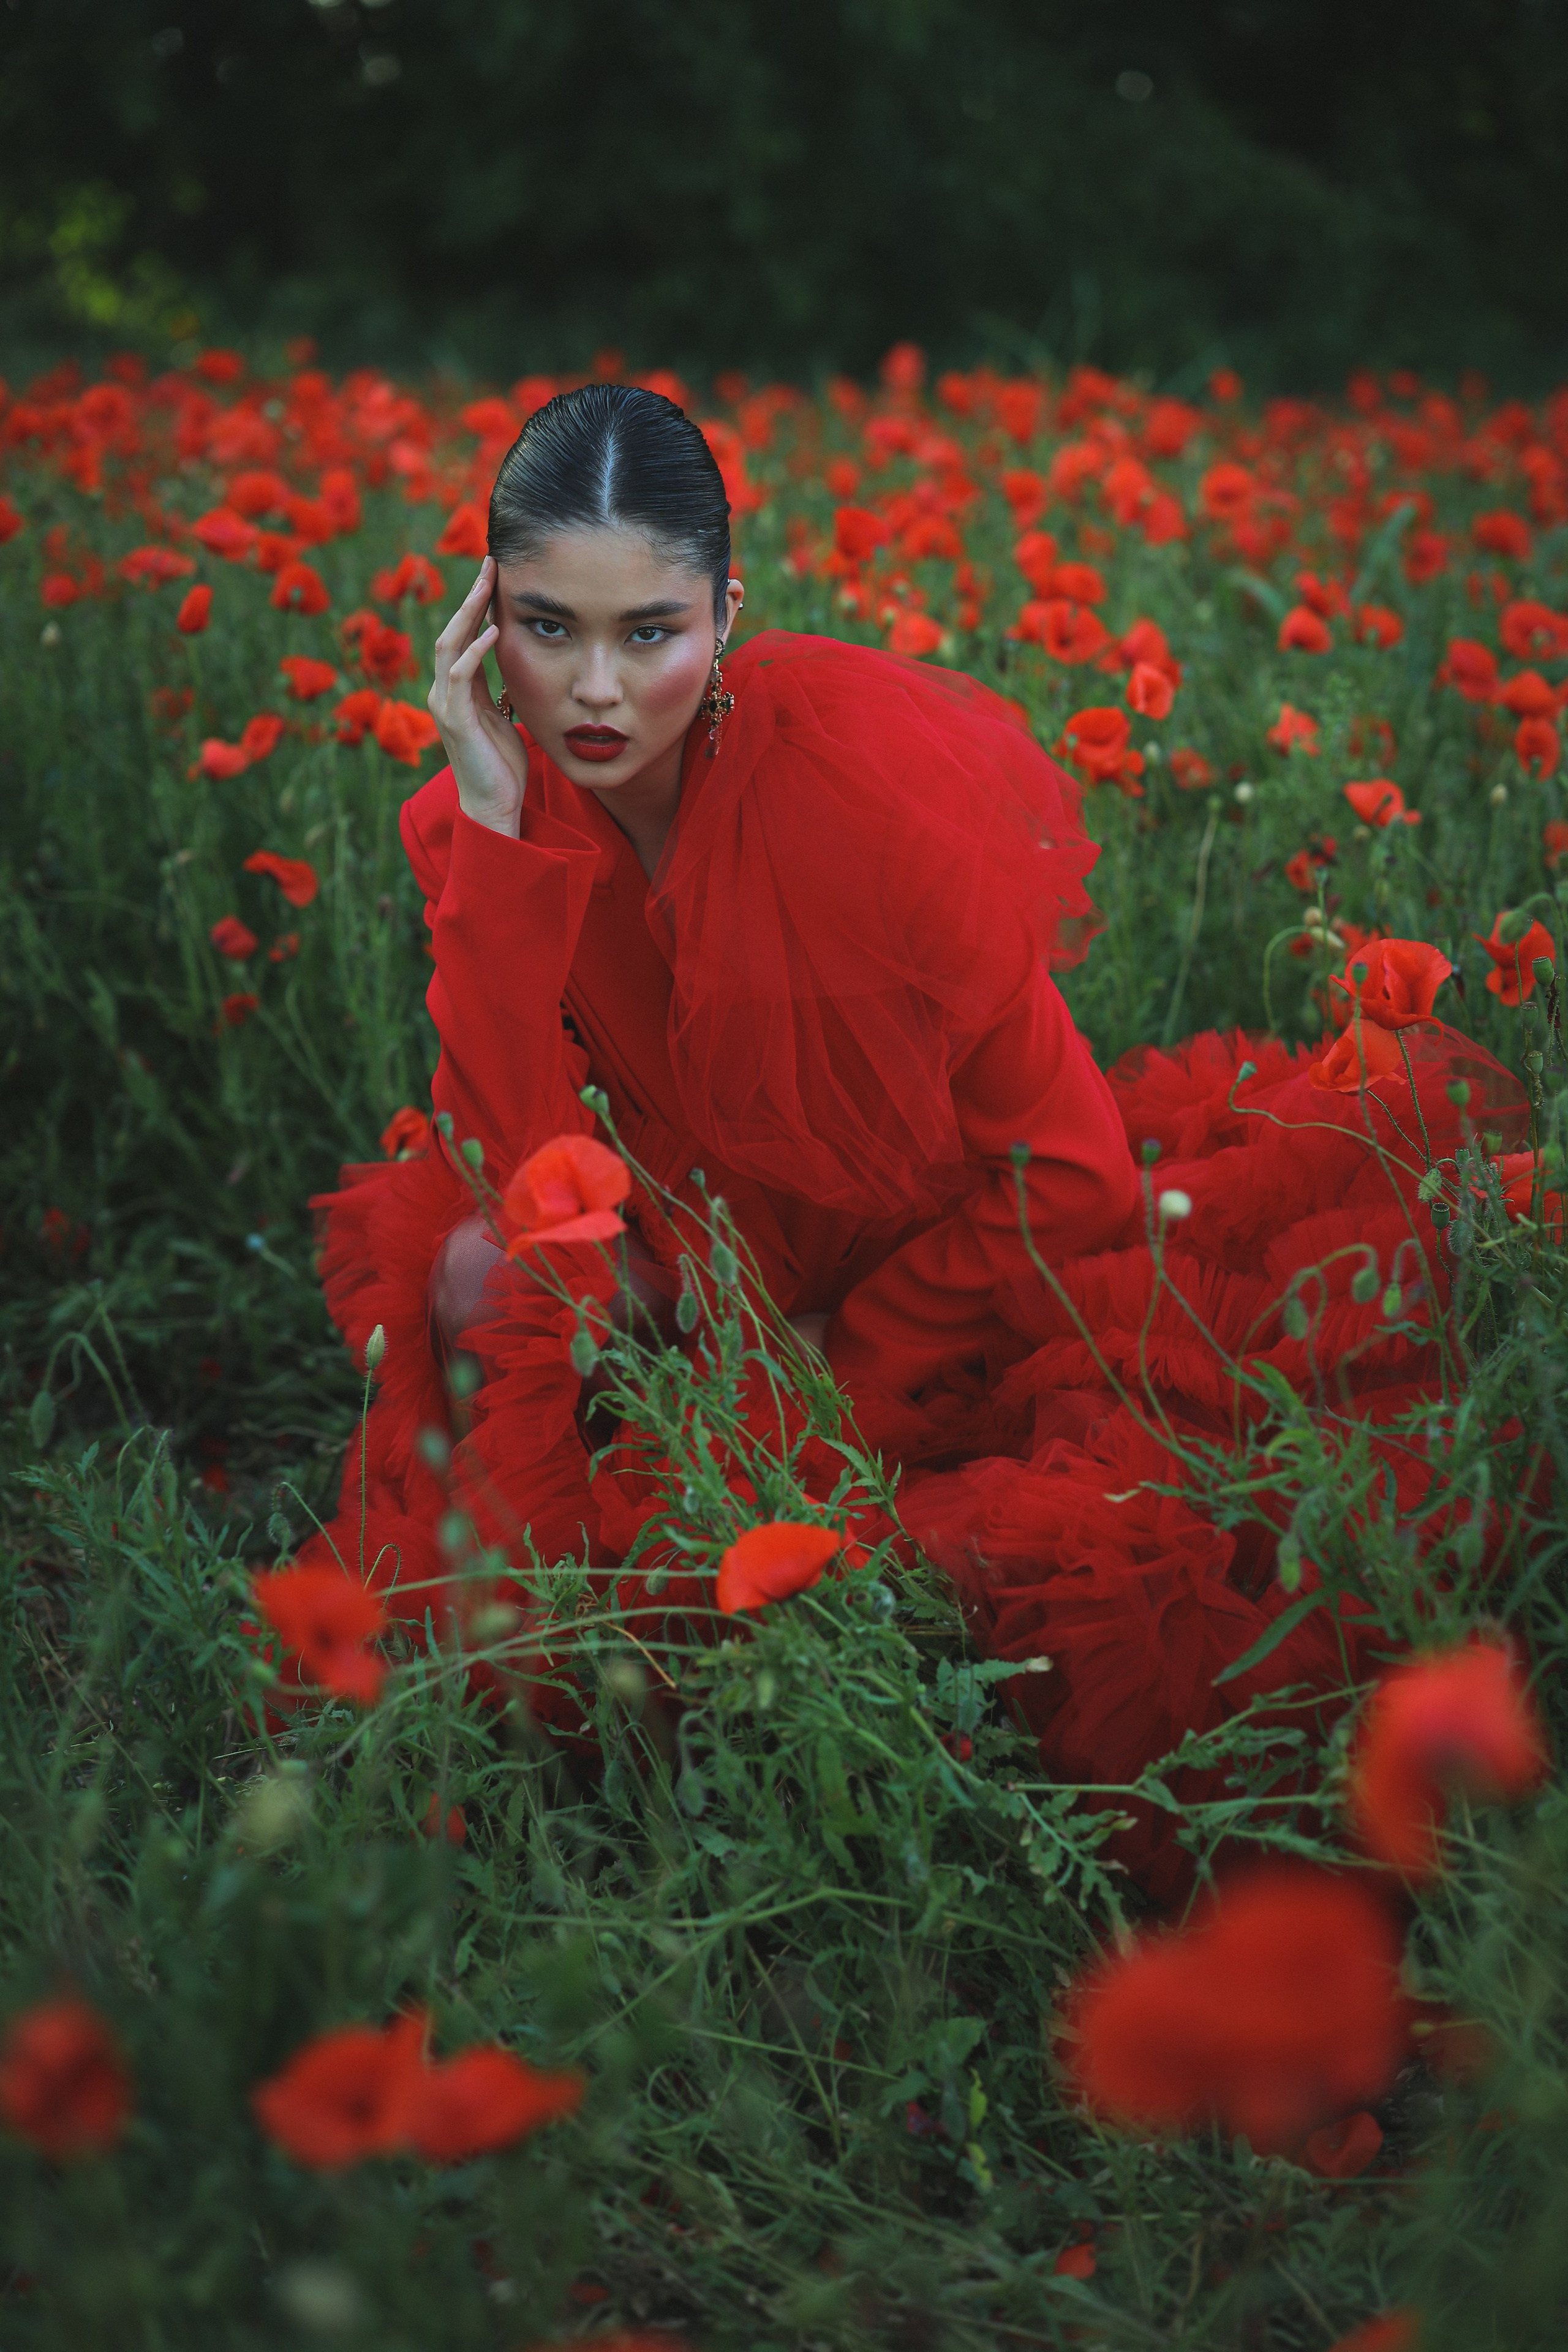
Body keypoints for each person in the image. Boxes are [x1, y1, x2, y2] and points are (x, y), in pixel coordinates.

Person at [303, 386, 1525, 1899]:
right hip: (700, 1251)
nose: (595, 690)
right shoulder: (484, 822)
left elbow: (1072, 1171)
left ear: (725, 614)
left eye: (649, 632)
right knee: (483, 1277)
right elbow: (528, 1177)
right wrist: (493, 834)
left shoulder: (855, 794)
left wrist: (852, 1341)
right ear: (486, 622)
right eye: (548, 630)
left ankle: (765, 1751)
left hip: (928, 1262)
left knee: (1041, 1553)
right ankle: (557, 1737)